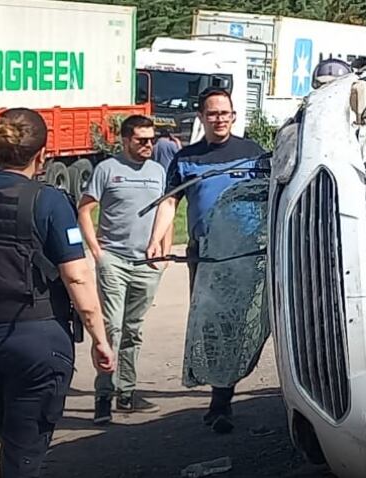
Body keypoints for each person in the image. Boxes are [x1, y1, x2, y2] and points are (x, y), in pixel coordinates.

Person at [0, 108, 116, 477]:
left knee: (11, 443)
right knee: (23, 452)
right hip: (36, 339)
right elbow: (77, 278)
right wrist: (100, 338)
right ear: (42, 154)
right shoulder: (50, 201)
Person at [146, 88, 266, 434]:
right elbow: (170, 203)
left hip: (249, 253)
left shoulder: (254, 154)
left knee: (246, 325)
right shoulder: (186, 158)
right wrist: (156, 240)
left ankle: (233, 392)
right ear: (201, 118)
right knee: (213, 325)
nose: (219, 119)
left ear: (234, 115)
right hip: (207, 256)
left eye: (225, 113)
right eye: (212, 113)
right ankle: (221, 398)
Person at [78, 115, 170, 424]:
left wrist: (164, 251)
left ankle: (127, 393)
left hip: (147, 263)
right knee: (112, 328)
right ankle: (104, 395)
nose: (148, 145)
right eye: (141, 140)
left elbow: (166, 209)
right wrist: (96, 250)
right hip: (114, 259)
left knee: (134, 329)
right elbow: (85, 209)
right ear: (126, 140)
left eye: (151, 140)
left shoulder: (158, 171)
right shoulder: (107, 170)